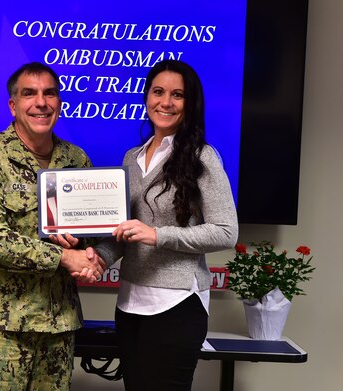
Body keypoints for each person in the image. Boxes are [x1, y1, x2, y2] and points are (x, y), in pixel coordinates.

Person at [0, 61, 106, 390]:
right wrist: (62, 257)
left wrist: (91, 250)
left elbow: (89, 233)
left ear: (59, 103)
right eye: (29, 94)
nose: (41, 102)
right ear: (13, 105)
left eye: (49, 93)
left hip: (57, 328)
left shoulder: (76, 161)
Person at [91, 60, 239, 390]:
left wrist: (157, 235)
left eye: (177, 95)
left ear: (190, 104)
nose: (166, 102)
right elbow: (125, 231)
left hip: (177, 305)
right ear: (147, 98)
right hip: (129, 303)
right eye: (158, 92)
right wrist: (98, 257)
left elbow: (226, 230)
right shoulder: (132, 157)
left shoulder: (203, 157)